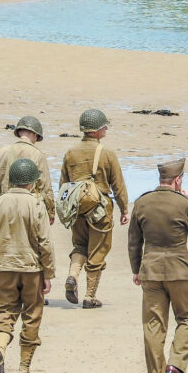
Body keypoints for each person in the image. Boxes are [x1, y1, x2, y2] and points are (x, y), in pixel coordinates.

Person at [128, 157, 188, 373]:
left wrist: (136, 269)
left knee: (153, 326)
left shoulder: (142, 202)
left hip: (150, 270)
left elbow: (134, 240)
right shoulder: (183, 203)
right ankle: (175, 365)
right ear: (178, 179)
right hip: (180, 270)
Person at [0, 158, 55, 373]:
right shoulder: (36, 205)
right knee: (32, 316)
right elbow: (45, 243)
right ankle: (24, 370)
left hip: (4, 268)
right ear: (32, 183)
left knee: (5, 312)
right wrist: (48, 274)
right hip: (32, 269)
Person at [60, 108, 128, 308]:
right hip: (100, 209)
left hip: (77, 208)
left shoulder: (70, 153)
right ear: (97, 130)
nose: (106, 128)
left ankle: (73, 275)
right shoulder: (107, 153)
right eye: (104, 126)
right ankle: (90, 297)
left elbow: (63, 186)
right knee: (98, 251)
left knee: (80, 246)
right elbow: (118, 185)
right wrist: (124, 209)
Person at [0, 116, 55, 225]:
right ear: (35, 135)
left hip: (5, 206)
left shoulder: (3, 152)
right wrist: (50, 213)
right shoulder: (38, 155)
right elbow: (45, 187)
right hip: (29, 209)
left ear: (19, 132)